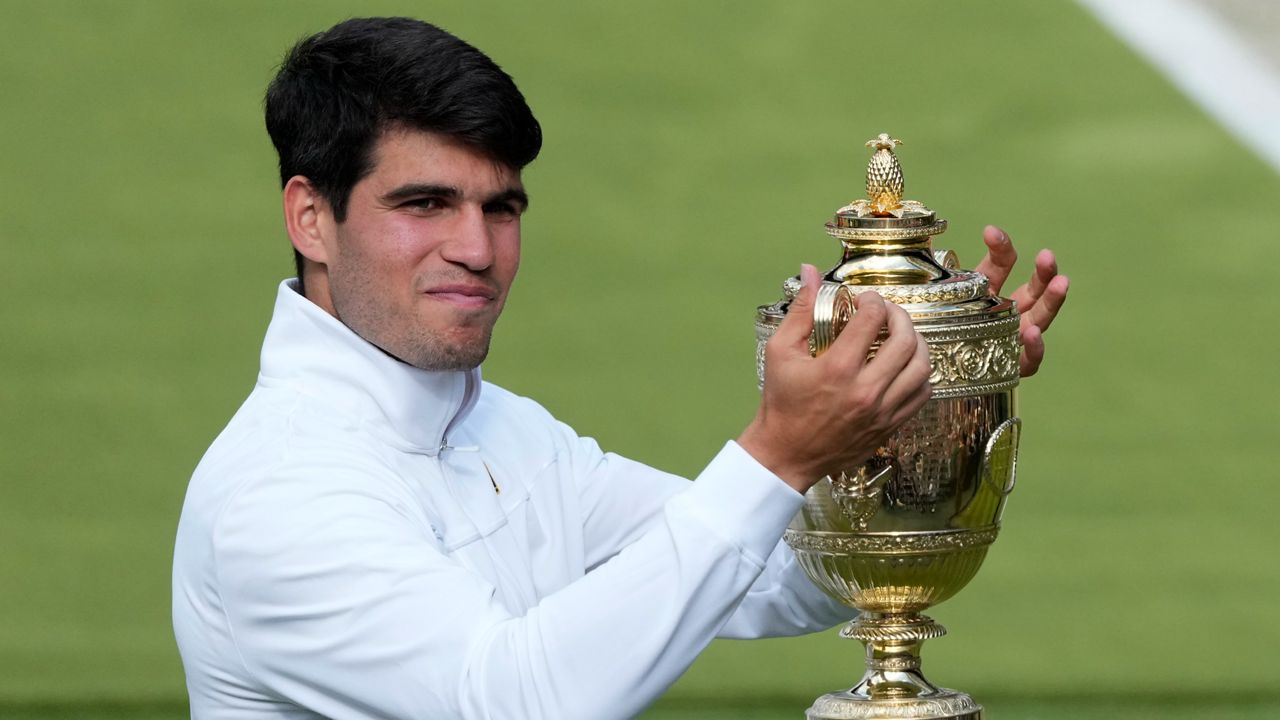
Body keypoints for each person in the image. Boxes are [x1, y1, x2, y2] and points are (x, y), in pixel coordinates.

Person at [172, 16, 1069, 720]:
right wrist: (779, 453)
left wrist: (933, 399)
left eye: (501, 207)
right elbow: (514, 703)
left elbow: (781, 580)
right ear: (310, 219)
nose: (476, 248)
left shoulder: (502, 432)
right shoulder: (278, 496)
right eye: (425, 204)